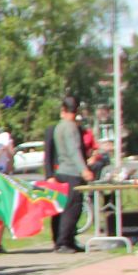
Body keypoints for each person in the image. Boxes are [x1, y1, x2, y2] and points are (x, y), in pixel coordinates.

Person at [49, 95, 93, 253]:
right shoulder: (71, 127)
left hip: (61, 171)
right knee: (72, 209)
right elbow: (74, 150)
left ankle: (63, 240)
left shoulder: (59, 126)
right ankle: (64, 242)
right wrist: (84, 169)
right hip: (72, 173)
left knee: (61, 208)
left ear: (63, 109)